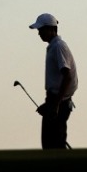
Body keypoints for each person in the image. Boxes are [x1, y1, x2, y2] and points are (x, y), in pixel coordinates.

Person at [29, 12, 78, 149]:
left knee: (54, 144)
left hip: (59, 101)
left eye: (41, 30)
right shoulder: (54, 47)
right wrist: (49, 104)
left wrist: (55, 105)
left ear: (51, 29)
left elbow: (67, 76)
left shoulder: (58, 47)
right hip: (55, 100)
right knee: (50, 143)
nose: (39, 33)